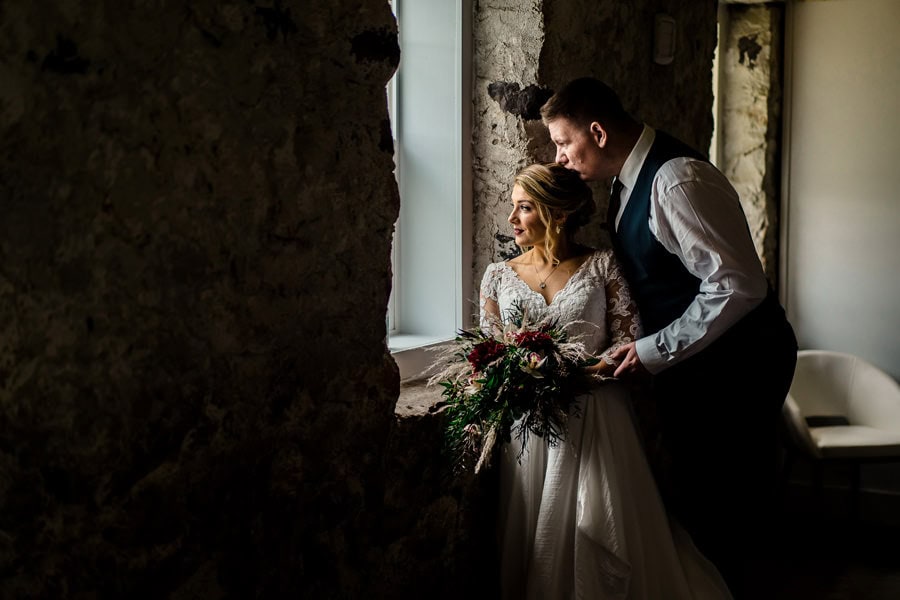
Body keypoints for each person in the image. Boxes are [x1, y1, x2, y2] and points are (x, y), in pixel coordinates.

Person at [540, 77, 798, 597]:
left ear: (598, 131)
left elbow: (738, 284)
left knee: (726, 501)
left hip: (739, 364)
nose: (561, 157)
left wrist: (654, 349)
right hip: (700, 362)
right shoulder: (625, 181)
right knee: (703, 497)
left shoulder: (676, 181)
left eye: (565, 142)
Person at [481, 162, 732, 599]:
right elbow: (489, 354)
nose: (511, 219)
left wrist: (580, 372)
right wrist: (524, 374)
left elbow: (627, 340)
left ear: (557, 214)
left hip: (597, 417)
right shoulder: (497, 275)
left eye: (524, 208)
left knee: (599, 529)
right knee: (536, 530)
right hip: (532, 428)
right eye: (513, 207)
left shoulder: (601, 266)